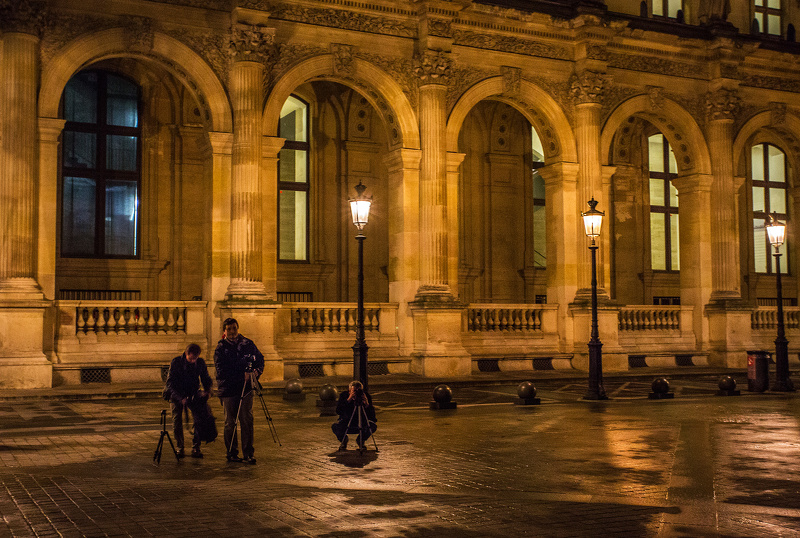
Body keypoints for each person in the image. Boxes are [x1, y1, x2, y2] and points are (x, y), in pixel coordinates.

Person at [214, 317, 264, 464]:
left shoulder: (248, 344)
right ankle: (231, 452)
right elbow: (221, 369)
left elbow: (260, 359)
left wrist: (255, 372)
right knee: (230, 422)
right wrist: (241, 373)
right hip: (228, 389)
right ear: (224, 331)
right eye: (229, 329)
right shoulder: (220, 348)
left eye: (234, 328)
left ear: (238, 328)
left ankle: (248, 453)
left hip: (246, 388)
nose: (232, 331)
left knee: (247, 420)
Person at [163, 343, 213, 459]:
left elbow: (206, 378)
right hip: (177, 393)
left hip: (193, 392)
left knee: (199, 419)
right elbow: (170, 384)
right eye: (190, 358)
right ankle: (180, 447)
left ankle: (196, 446)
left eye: (195, 358)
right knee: (177, 421)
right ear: (186, 354)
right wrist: (180, 398)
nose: (192, 361)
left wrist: (208, 391)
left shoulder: (199, 363)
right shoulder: (176, 363)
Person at [332, 380, 377, 451]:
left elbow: (373, 417)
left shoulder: (366, 396)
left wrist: (367, 404)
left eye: (359, 391)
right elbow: (338, 411)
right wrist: (349, 399)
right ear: (349, 390)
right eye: (354, 391)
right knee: (335, 426)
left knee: (373, 426)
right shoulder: (344, 395)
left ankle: (361, 441)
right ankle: (344, 440)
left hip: (362, 422)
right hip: (347, 422)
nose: (357, 393)